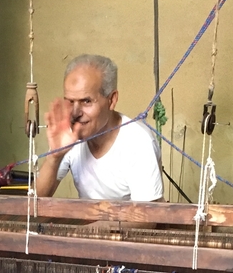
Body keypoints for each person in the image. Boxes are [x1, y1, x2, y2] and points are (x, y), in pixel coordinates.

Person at [36, 54, 163, 202]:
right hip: (90, 223)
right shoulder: (70, 135)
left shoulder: (138, 142)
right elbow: (33, 203)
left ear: (111, 100)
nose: (75, 113)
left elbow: (146, 219)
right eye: (70, 101)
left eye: (86, 101)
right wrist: (54, 157)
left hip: (124, 225)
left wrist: (89, 226)